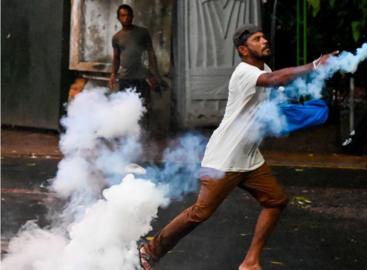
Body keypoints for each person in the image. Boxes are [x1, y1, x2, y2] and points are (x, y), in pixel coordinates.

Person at [138, 24, 336, 270]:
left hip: (250, 158)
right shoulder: (244, 72)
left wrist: (300, 115)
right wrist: (314, 65)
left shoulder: (264, 69)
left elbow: (271, 106)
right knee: (200, 213)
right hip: (225, 158)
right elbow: (275, 80)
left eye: (264, 37)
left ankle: (250, 262)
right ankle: (150, 250)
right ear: (244, 49)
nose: (264, 41)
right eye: (257, 39)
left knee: (275, 201)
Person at [108, 4, 159, 128]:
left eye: (128, 15)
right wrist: (113, 74)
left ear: (132, 16)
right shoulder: (116, 37)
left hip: (142, 77)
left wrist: (153, 74)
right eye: (122, 15)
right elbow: (116, 57)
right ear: (118, 18)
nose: (125, 18)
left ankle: (145, 135)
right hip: (125, 77)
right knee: (124, 107)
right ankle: (127, 133)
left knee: (144, 107)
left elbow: (151, 54)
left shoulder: (142, 32)